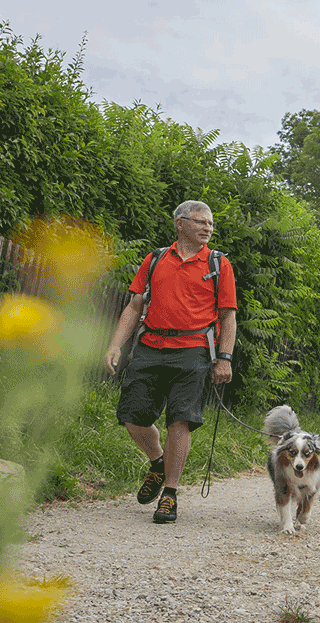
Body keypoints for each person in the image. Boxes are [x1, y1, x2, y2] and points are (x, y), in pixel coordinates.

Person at [103, 201, 237, 524]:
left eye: (210, 224)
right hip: (150, 346)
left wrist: (225, 358)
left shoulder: (219, 264)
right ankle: (158, 461)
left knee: (181, 418)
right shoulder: (155, 259)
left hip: (193, 350)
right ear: (180, 224)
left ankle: (170, 494)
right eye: (200, 222)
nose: (207, 228)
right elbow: (135, 306)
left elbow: (228, 317)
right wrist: (115, 345)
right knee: (131, 414)